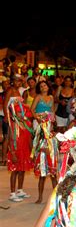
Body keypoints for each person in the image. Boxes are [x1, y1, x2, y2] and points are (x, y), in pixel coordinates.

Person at [4, 74, 34, 202]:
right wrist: (9, 120)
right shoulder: (10, 90)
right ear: (12, 81)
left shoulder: (20, 91)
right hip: (14, 123)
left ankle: (20, 190)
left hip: (22, 126)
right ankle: (12, 193)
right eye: (16, 80)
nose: (18, 82)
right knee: (16, 166)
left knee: (23, 165)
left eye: (20, 80)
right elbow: (6, 107)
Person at [30, 81, 58, 204]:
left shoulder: (51, 97)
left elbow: (52, 112)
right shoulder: (38, 97)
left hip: (49, 124)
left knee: (51, 156)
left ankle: (57, 197)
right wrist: (38, 118)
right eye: (41, 86)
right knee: (41, 151)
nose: (43, 87)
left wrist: (52, 121)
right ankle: (40, 197)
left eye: (45, 85)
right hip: (40, 125)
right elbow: (32, 110)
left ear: (48, 86)